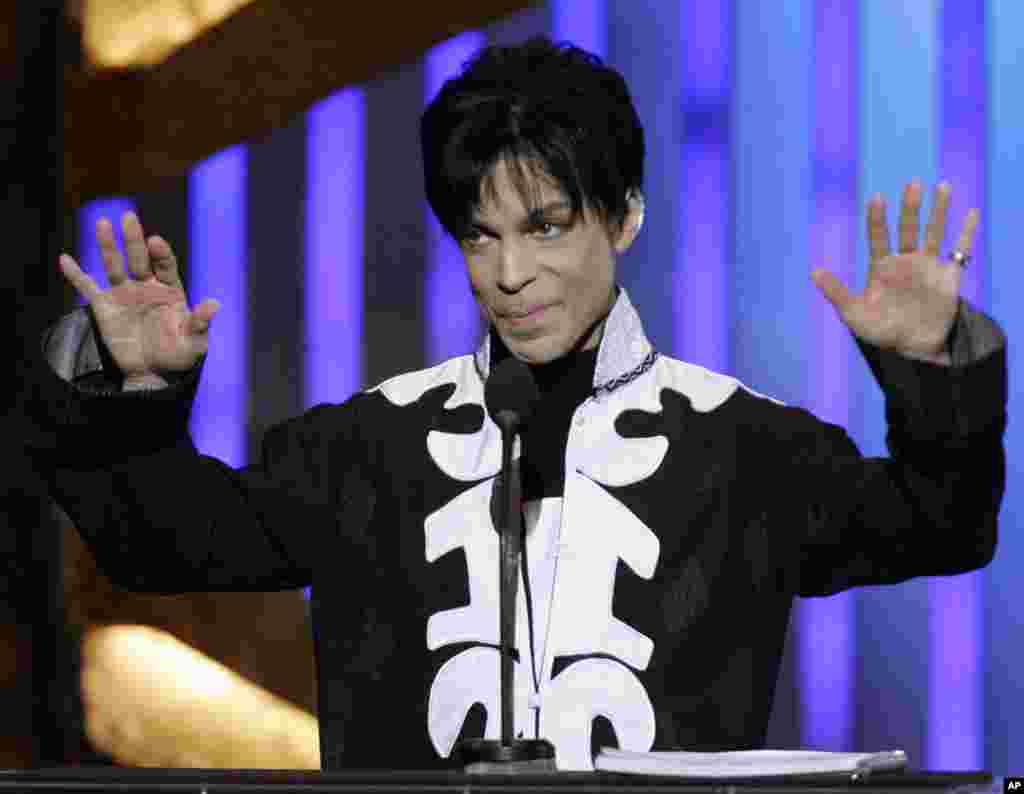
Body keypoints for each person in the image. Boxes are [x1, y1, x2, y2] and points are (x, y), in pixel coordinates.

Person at [21, 35, 1006, 772]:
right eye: (480, 236)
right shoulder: (370, 444)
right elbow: (159, 538)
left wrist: (934, 364)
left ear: (624, 216)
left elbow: (943, 522)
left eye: (544, 225)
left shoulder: (747, 447)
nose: (511, 272)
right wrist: (126, 384)